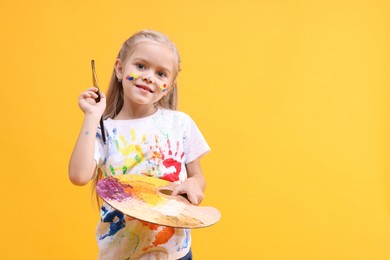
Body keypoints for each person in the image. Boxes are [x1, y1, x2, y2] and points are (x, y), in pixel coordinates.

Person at [68, 30, 210, 260]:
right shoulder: (105, 129)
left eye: (161, 73)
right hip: (120, 254)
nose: (149, 77)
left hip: (174, 253)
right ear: (120, 68)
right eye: (141, 66)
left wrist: (194, 185)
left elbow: (198, 178)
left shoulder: (179, 124)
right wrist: (92, 116)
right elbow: (78, 176)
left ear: (170, 85)